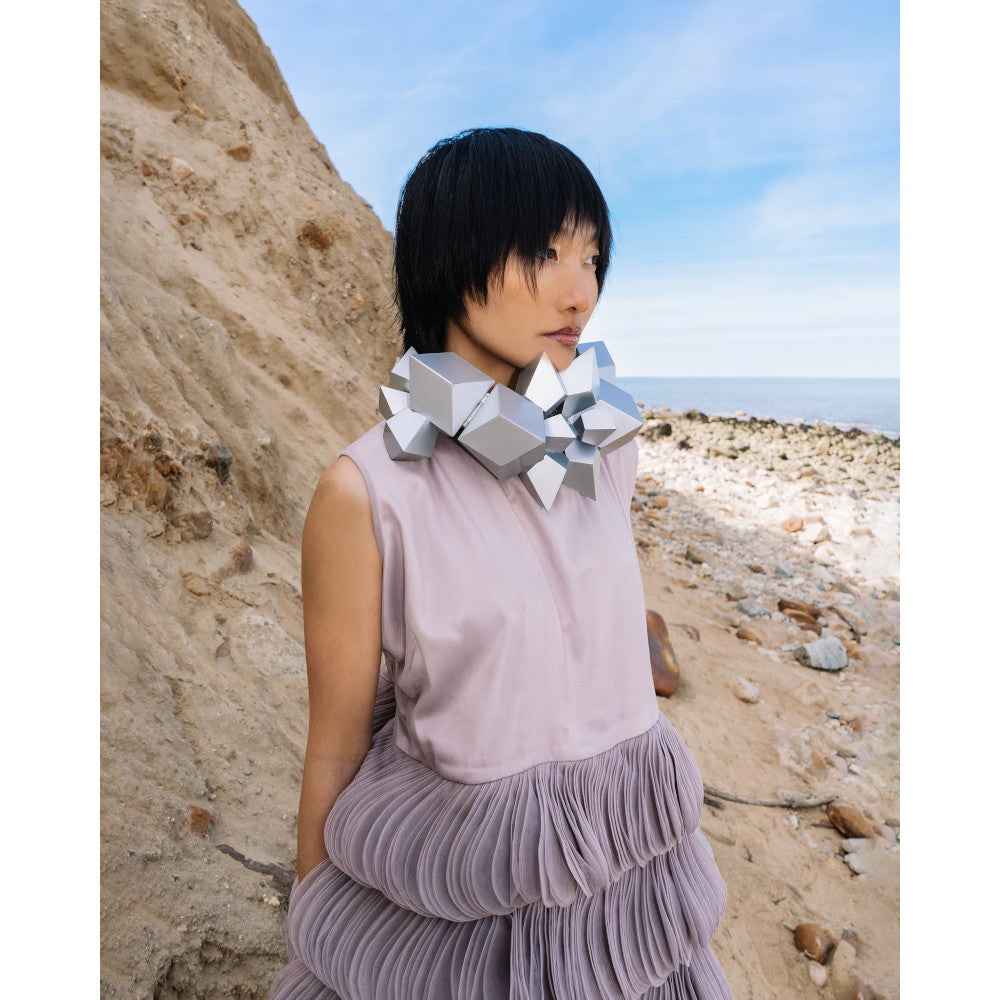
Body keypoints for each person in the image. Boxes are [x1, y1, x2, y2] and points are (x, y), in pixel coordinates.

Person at [269, 127, 732, 1000]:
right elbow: (331, 748)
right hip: (461, 893)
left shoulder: (605, 445)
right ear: (453, 255)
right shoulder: (365, 491)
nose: (579, 290)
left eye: (592, 257)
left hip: (628, 869)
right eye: (545, 252)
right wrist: (313, 919)